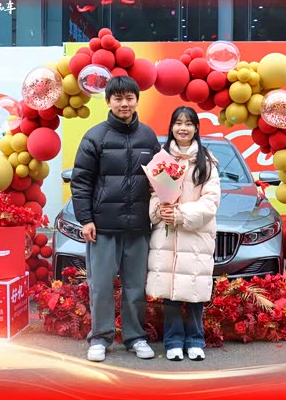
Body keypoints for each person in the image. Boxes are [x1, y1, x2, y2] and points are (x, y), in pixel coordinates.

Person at [71, 76, 161, 362]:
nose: (124, 104)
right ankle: (100, 338)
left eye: (129, 98)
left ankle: (135, 337)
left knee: (135, 287)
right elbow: (81, 182)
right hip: (103, 227)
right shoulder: (94, 137)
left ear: (137, 100)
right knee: (101, 286)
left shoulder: (148, 137)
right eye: (118, 98)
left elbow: (162, 178)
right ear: (108, 101)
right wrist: (86, 219)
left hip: (138, 227)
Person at [146, 106, 221, 361]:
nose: (183, 128)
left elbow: (210, 202)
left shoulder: (206, 162)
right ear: (171, 127)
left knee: (195, 290)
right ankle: (173, 341)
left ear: (196, 128)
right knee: (172, 292)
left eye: (188, 123)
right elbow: (153, 195)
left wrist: (180, 215)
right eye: (178, 123)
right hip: (167, 236)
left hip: (195, 235)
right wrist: (160, 210)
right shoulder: (162, 159)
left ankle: (196, 340)